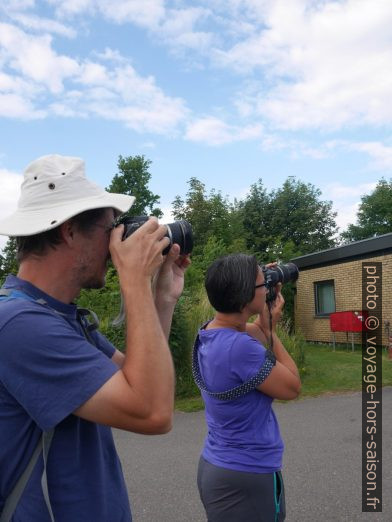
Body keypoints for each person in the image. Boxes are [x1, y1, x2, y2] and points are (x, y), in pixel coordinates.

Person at [0, 154, 189, 521]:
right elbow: (154, 414)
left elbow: (143, 384)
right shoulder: (21, 324)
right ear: (69, 230)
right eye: (110, 230)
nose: (116, 244)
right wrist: (133, 278)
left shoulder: (59, 317)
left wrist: (161, 300)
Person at [194, 253, 301, 522]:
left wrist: (266, 321)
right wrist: (272, 333)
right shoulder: (239, 347)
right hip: (247, 473)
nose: (267, 288)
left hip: (219, 465)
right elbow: (291, 386)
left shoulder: (210, 332)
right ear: (243, 297)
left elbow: (255, 330)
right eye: (262, 284)